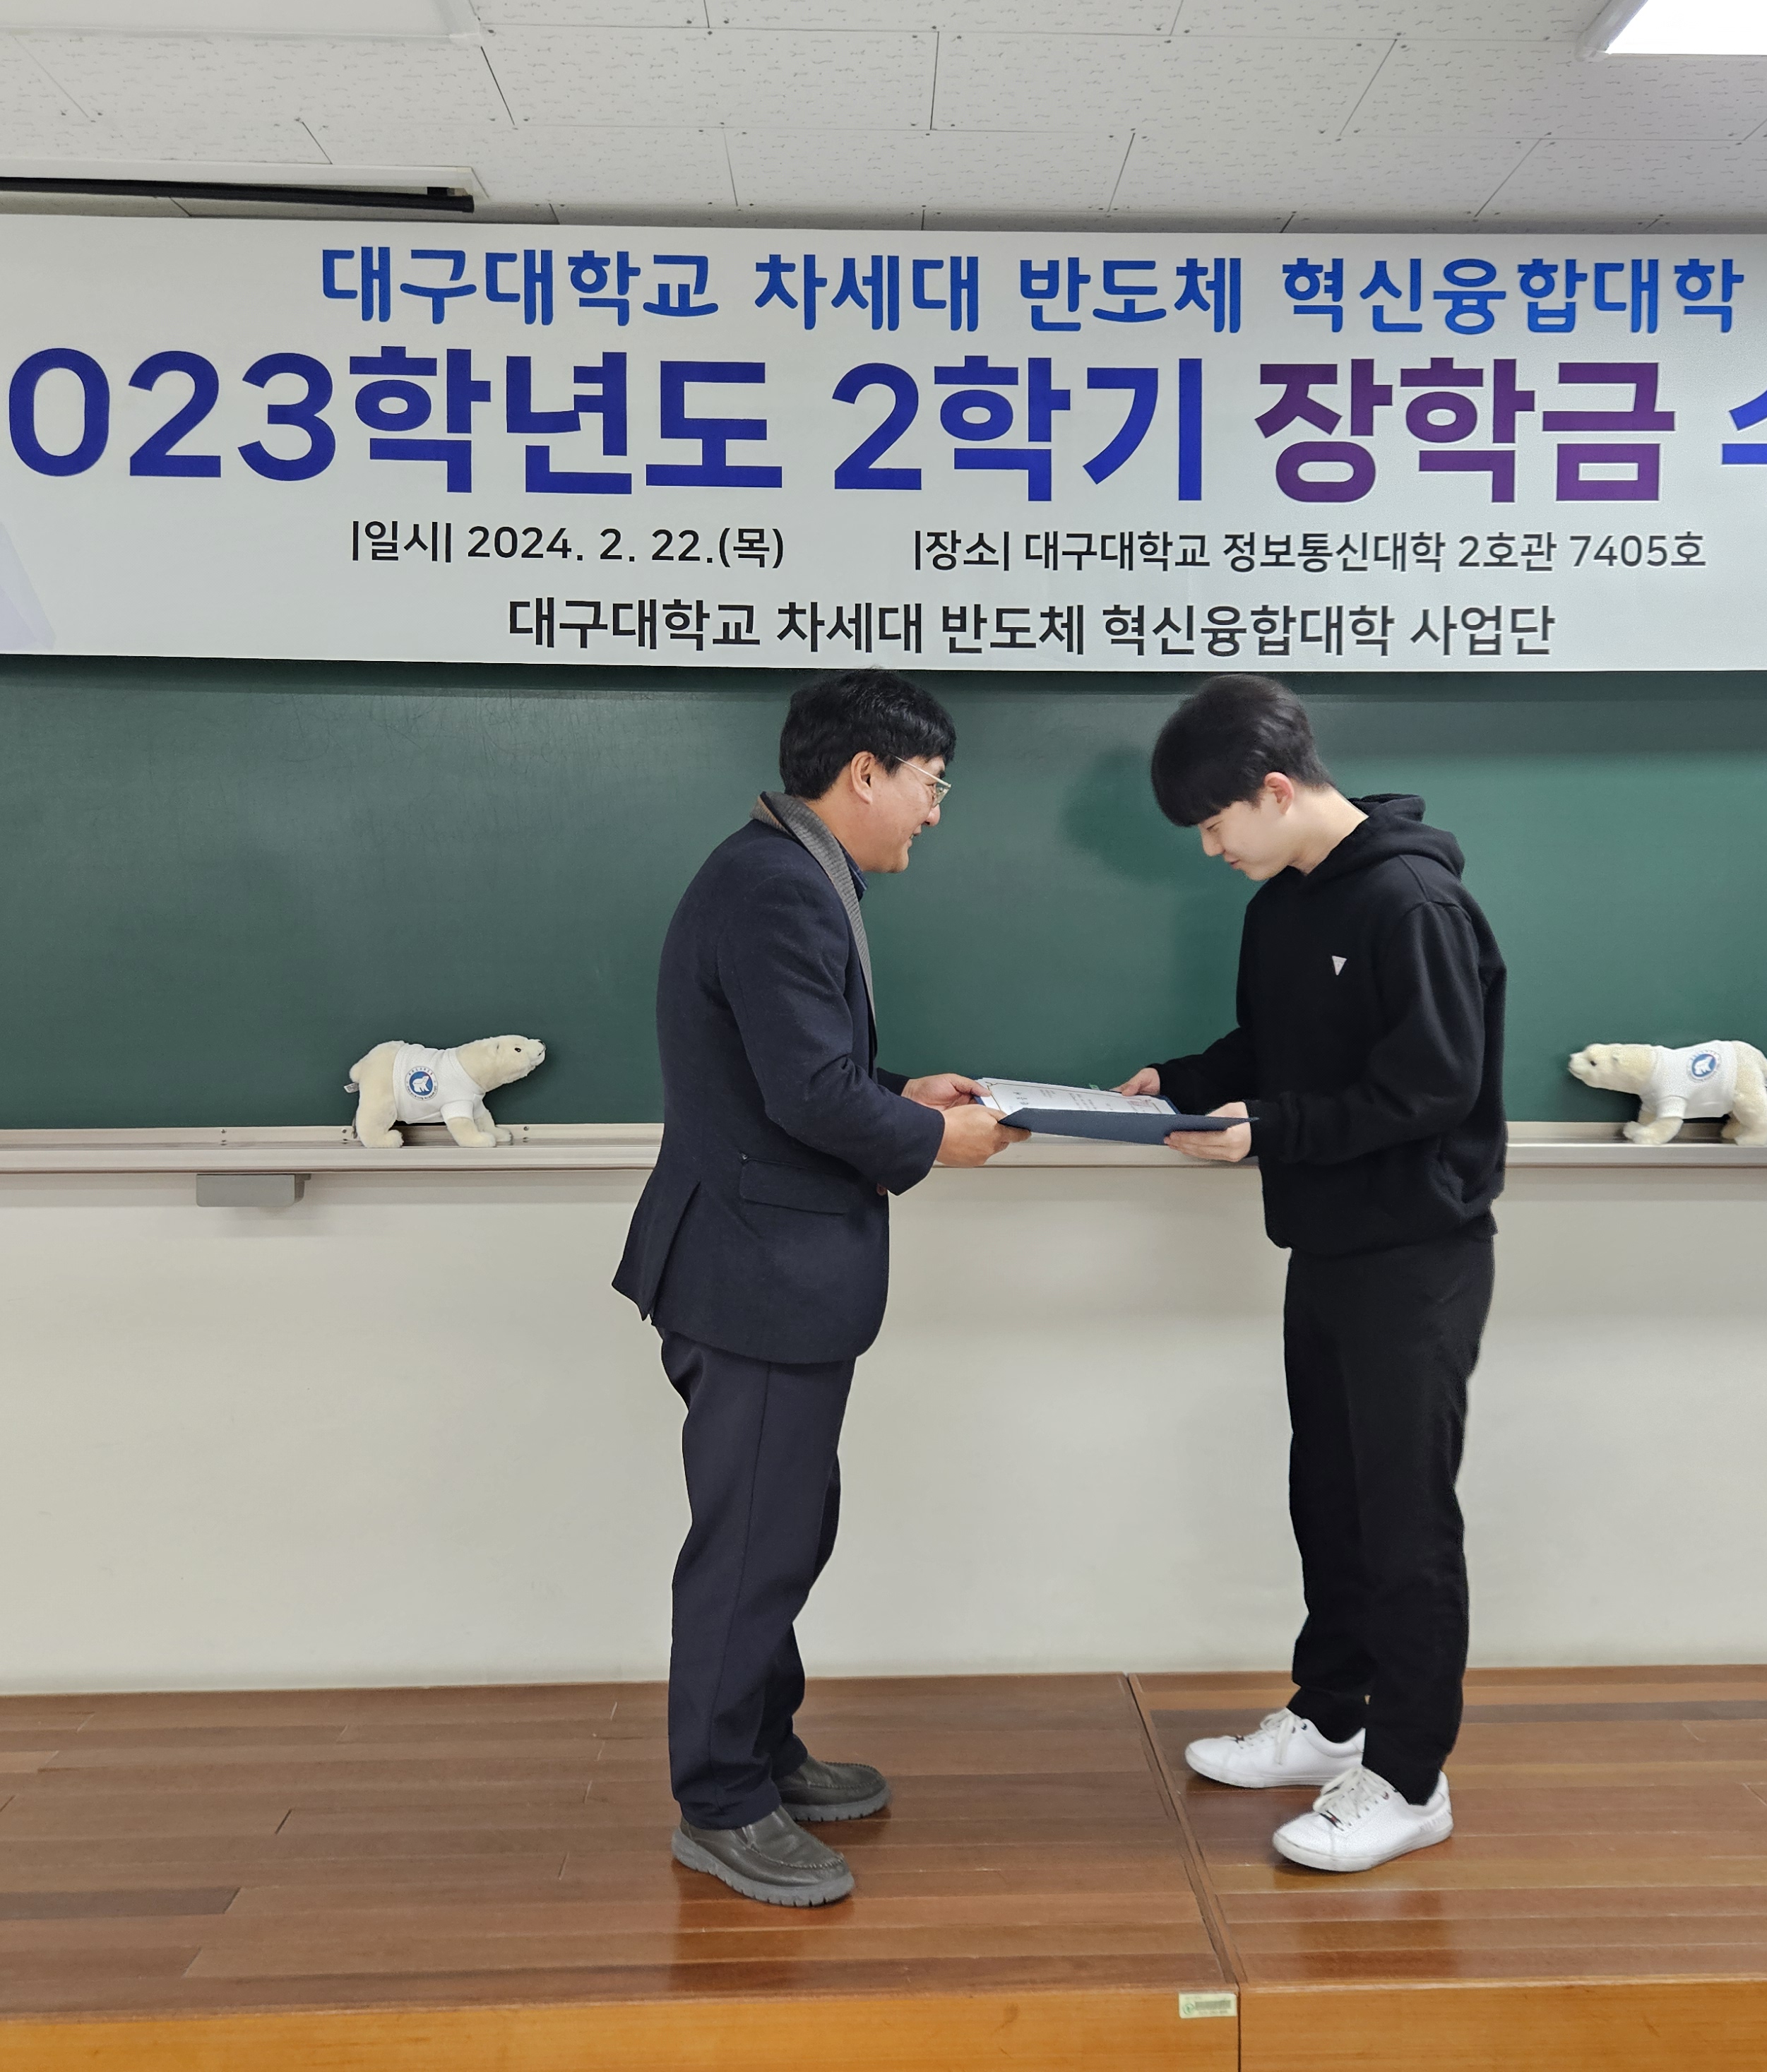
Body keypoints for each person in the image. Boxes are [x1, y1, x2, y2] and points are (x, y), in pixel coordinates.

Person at [612, 667, 1025, 1908]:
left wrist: (900, 1093)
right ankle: (720, 1802)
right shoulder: (777, 886)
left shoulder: (789, 871)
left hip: (762, 1263)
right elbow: (804, 1094)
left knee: (783, 1528)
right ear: (866, 773)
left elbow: (797, 1068)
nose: (934, 813)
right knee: (752, 1542)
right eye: (931, 786)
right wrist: (933, 1138)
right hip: (754, 1272)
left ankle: (764, 1750)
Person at [1117, 674, 1506, 1874]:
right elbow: (1274, 1052)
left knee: (1404, 1517)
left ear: (1277, 790)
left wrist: (1271, 1131)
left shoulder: (1414, 903)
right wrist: (1182, 1084)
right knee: (1328, 1498)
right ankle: (1332, 1717)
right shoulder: (1280, 905)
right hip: (1327, 1245)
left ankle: (1410, 1777)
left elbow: (1431, 1086)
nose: (1211, 849)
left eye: (1216, 823)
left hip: (1418, 1255)